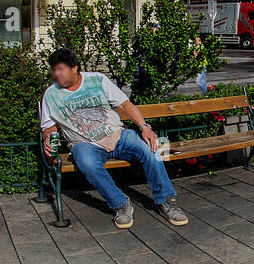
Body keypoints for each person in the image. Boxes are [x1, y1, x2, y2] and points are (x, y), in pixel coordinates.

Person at [40, 47, 188, 230]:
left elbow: (125, 104)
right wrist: (49, 137)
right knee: (87, 164)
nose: (56, 74)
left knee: (153, 149)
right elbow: (48, 126)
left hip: (118, 135)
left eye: (60, 69)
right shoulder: (51, 94)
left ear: (75, 68)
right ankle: (120, 204)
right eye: (54, 69)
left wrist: (145, 127)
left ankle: (166, 202)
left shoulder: (97, 80)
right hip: (84, 143)